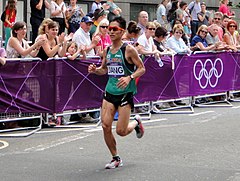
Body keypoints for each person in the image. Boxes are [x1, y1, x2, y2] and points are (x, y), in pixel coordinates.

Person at [88, 16, 145, 169]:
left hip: (125, 93)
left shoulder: (128, 49)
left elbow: (142, 68)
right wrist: (95, 71)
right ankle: (115, 158)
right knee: (106, 126)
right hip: (110, 91)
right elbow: (104, 70)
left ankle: (136, 122)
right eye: (109, 28)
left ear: (122, 32)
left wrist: (129, 77)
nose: (110, 31)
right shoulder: (107, 49)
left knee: (121, 131)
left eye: (115, 29)